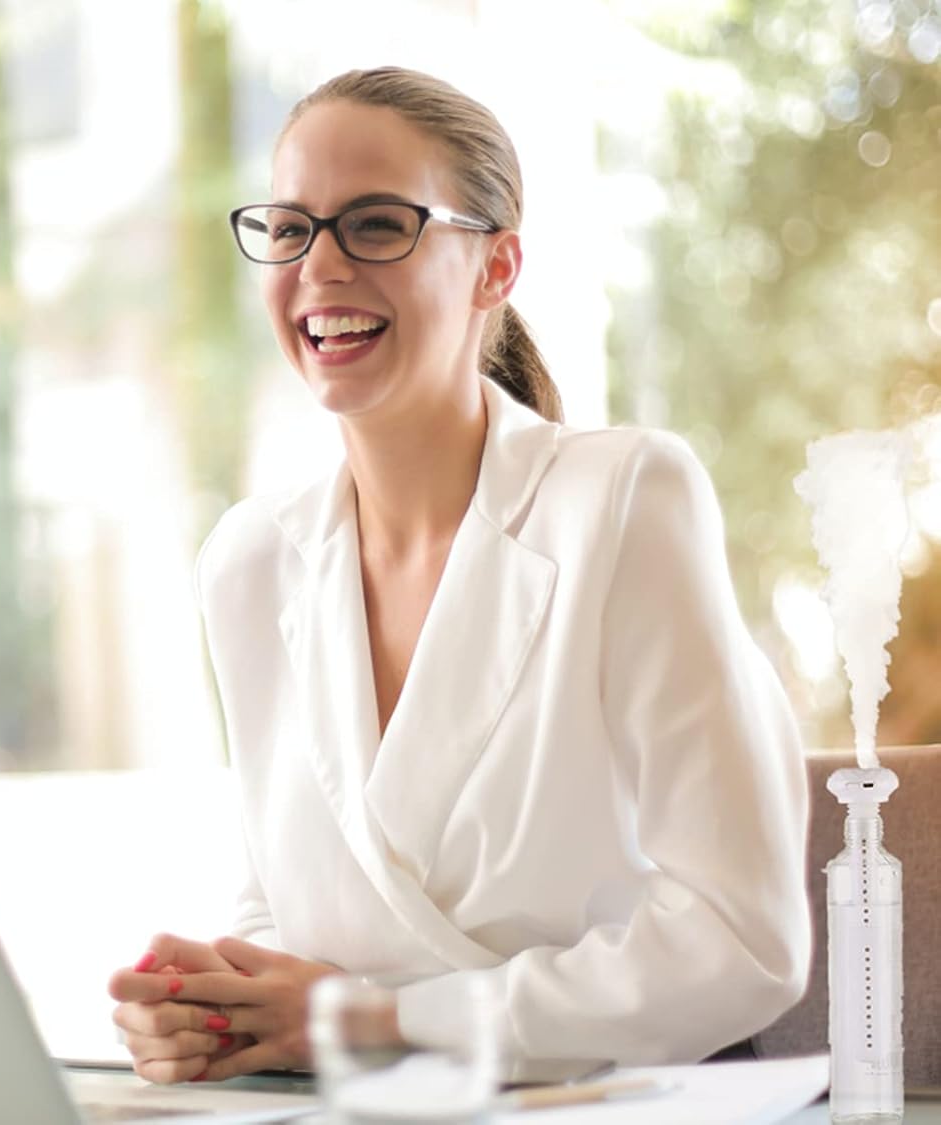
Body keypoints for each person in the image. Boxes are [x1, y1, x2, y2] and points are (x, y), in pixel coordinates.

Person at [106, 66, 809, 1085]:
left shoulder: (621, 502)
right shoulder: (249, 562)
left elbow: (742, 941)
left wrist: (377, 1018)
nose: (319, 265)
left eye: (376, 225)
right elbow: (283, 908)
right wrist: (215, 1009)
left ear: (496, 266)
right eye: (290, 228)